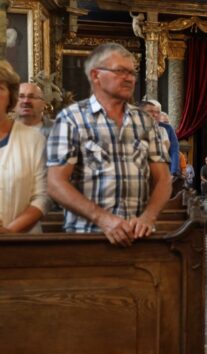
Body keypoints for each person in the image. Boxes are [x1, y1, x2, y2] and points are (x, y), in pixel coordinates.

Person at [47, 43, 171, 246]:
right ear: (96, 75)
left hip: (139, 237)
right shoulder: (72, 119)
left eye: (132, 72)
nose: (129, 78)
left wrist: (149, 217)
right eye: (120, 71)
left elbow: (164, 179)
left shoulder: (144, 121)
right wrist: (102, 219)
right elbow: (55, 184)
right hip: (88, 236)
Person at [0, 60, 49, 233]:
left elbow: (42, 197)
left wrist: (9, 233)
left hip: (22, 245)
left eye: (0, 88)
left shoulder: (34, 140)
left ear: (10, 96)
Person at [141, 99, 180, 177]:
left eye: (158, 112)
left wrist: (174, 171)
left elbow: (174, 150)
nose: (155, 114)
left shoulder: (165, 129)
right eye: (151, 111)